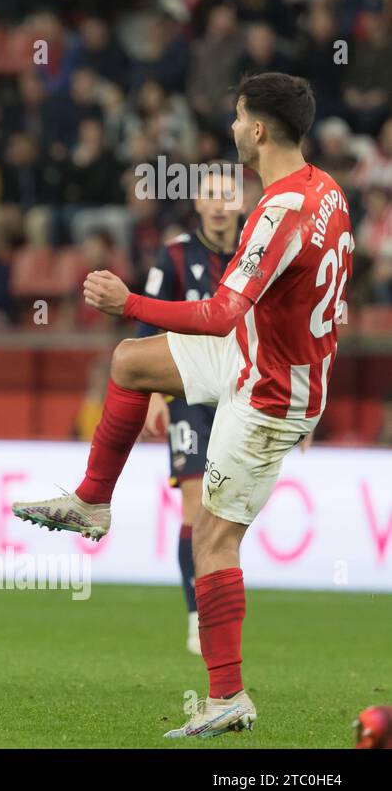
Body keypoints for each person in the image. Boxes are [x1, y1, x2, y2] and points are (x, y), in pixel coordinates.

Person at [12, 73, 352, 740]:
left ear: (256, 128)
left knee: (214, 541)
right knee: (130, 362)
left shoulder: (279, 210)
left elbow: (223, 313)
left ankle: (228, 696)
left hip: (271, 390)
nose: (231, 128)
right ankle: (91, 500)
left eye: (236, 116)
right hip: (268, 356)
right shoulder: (326, 191)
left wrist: (127, 303)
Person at [136, 170, 242, 656]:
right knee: (195, 504)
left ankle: (217, 609)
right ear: (197, 202)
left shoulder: (257, 252)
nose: (220, 205)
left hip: (242, 393)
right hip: (188, 393)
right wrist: (154, 391)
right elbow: (150, 317)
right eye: (211, 195)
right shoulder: (177, 254)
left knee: (224, 513)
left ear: (243, 202)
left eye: (228, 195)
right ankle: (196, 612)